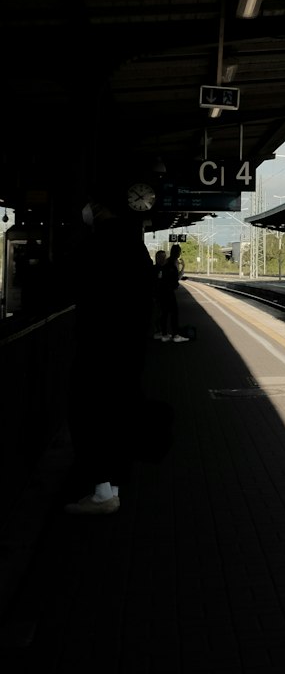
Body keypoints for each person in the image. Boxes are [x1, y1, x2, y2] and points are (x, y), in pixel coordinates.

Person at [65, 194, 155, 516]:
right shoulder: (136, 246)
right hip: (131, 350)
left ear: (100, 209)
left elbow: (67, 283)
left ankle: (101, 492)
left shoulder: (96, 245)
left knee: (90, 414)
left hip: (98, 348)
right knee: (121, 415)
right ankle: (113, 489)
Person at [155, 244, 186, 342]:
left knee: (164, 313)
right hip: (169, 292)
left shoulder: (165, 263)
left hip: (162, 291)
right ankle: (175, 335)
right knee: (174, 313)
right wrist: (183, 267)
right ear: (178, 253)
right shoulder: (174, 263)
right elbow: (176, 278)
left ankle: (164, 334)